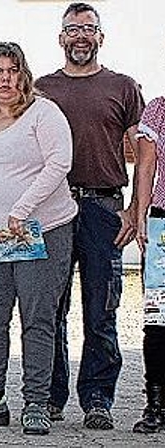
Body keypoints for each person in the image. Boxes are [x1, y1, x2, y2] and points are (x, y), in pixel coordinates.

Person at [0, 42, 76, 435]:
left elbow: (60, 162)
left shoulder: (44, 113)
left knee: (38, 318)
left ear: (24, 75)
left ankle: (37, 403)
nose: (5, 78)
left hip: (43, 231)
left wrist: (21, 209)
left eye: (13, 71)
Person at [35, 2, 145, 429]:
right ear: (60, 37)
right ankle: (50, 396)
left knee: (102, 308)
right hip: (52, 209)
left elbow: (145, 152)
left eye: (88, 29)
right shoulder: (41, 88)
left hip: (103, 208)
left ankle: (98, 398)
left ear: (101, 36)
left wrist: (135, 208)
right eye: (72, 29)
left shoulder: (123, 86)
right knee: (50, 307)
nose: (80, 36)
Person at [132, 96, 165, 433]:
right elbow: (145, 166)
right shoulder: (158, 109)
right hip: (163, 226)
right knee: (158, 320)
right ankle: (155, 404)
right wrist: (140, 216)